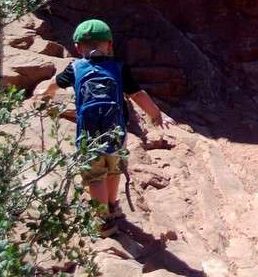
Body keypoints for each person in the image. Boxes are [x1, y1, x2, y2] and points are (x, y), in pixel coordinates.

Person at [41, 19, 174, 237]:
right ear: (110, 45)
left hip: (89, 136)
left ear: (77, 47)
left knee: (95, 177)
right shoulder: (119, 67)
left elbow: (57, 82)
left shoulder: (75, 68)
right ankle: (113, 204)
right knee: (114, 169)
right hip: (117, 133)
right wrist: (155, 114)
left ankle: (103, 221)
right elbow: (138, 94)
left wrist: (47, 93)